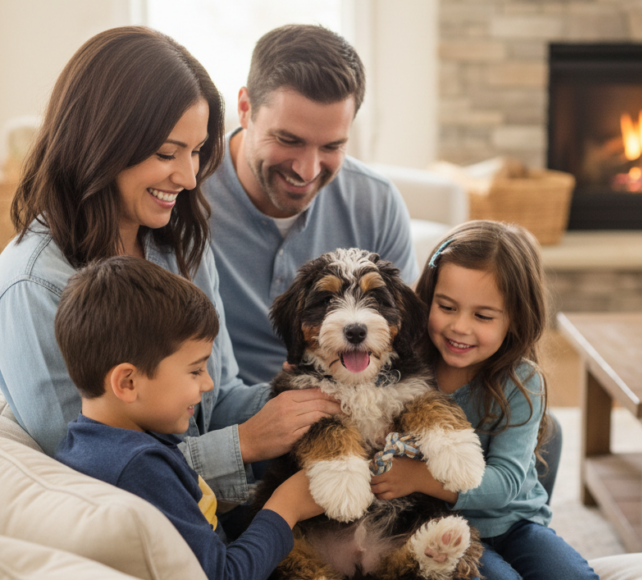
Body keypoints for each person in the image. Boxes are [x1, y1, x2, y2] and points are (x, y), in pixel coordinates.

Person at [0, 26, 339, 504]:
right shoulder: (34, 283)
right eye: (166, 153)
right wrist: (242, 445)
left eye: (198, 150)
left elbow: (215, 400)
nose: (188, 176)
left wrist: (304, 394)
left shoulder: (181, 243)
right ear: (102, 142)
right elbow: (81, 474)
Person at [54, 256, 323, 580]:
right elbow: (223, 574)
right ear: (128, 382)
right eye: (195, 370)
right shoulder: (142, 468)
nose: (208, 384)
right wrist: (287, 505)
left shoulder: (85, 443)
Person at [369, 220, 599, 580]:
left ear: (514, 319)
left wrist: (416, 477)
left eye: (483, 316)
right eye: (446, 307)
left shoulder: (522, 381)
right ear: (426, 300)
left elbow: (504, 485)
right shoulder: (405, 368)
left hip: (516, 523)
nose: (460, 327)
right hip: (438, 529)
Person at [204, 24, 419, 386]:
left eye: (332, 146)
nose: (308, 170)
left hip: (351, 407)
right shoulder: (185, 193)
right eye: (288, 139)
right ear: (244, 109)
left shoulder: (377, 202)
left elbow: (406, 341)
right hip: (223, 415)